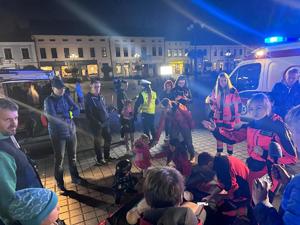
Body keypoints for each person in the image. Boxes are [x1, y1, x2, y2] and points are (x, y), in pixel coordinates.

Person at [202, 93, 297, 196]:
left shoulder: (278, 127)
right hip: (253, 168)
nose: (254, 112)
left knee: (263, 202)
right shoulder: (252, 124)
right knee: (251, 197)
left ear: (267, 107)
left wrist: (264, 154)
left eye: (258, 108)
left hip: (270, 171)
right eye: (251, 109)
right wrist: (215, 130)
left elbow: (292, 158)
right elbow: (233, 137)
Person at [0, 98, 43, 225]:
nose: (14, 124)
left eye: (16, 118)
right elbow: (6, 199)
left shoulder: (8, 136)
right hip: (26, 217)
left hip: (31, 209)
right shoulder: (1, 154)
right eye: (8, 119)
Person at [44, 78, 85, 191]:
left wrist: (65, 114)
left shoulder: (66, 96)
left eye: (63, 88)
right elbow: (53, 118)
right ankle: (60, 182)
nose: (62, 90)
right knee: (59, 159)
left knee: (73, 157)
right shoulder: (48, 101)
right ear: (53, 88)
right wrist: (69, 114)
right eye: (59, 88)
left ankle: (75, 177)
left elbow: (77, 109)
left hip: (71, 131)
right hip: (57, 134)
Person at [126, 167, 205, 225]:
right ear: (181, 198)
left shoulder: (145, 216)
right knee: (202, 209)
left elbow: (131, 218)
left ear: (147, 199)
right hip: (196, 208)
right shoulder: (186, 215)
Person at [197, 152, 250, 221]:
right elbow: (222, 183)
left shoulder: (223, 166)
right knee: (218, 198)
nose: (206, 170)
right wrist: (210, 196)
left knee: (223, 201)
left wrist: (222, 197)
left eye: (205, 168)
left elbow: (232, 187)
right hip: (242, 181)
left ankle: (238, 210)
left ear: (209, 163)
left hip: (246, 187)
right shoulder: (219, 161)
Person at [208, 72, 241, 155]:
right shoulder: (215, 90)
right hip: (218, 118)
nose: (223, 82)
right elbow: (211, 101)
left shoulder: (233, 91)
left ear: (227, 80)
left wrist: (237, 120)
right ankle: (219, 152)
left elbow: (238, 105)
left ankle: (230, 154)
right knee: (219, 135)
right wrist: (215, 109)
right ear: (218, 81)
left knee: (229, 136)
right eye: (221, 80)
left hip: (229, 119)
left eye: (225, 80)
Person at [85, 78, 115, 166]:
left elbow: (103, 108)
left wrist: (109, 110)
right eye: (95, 86)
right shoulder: (88, 98)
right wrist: (97, 122)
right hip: (96, 125)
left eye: (99, 86)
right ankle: (99, 159)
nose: (98, 88)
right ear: (91, 86)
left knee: (108, 139)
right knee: (98, 142)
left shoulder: (100, 96)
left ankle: (107, 156)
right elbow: (88, 114)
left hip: (105, 122)